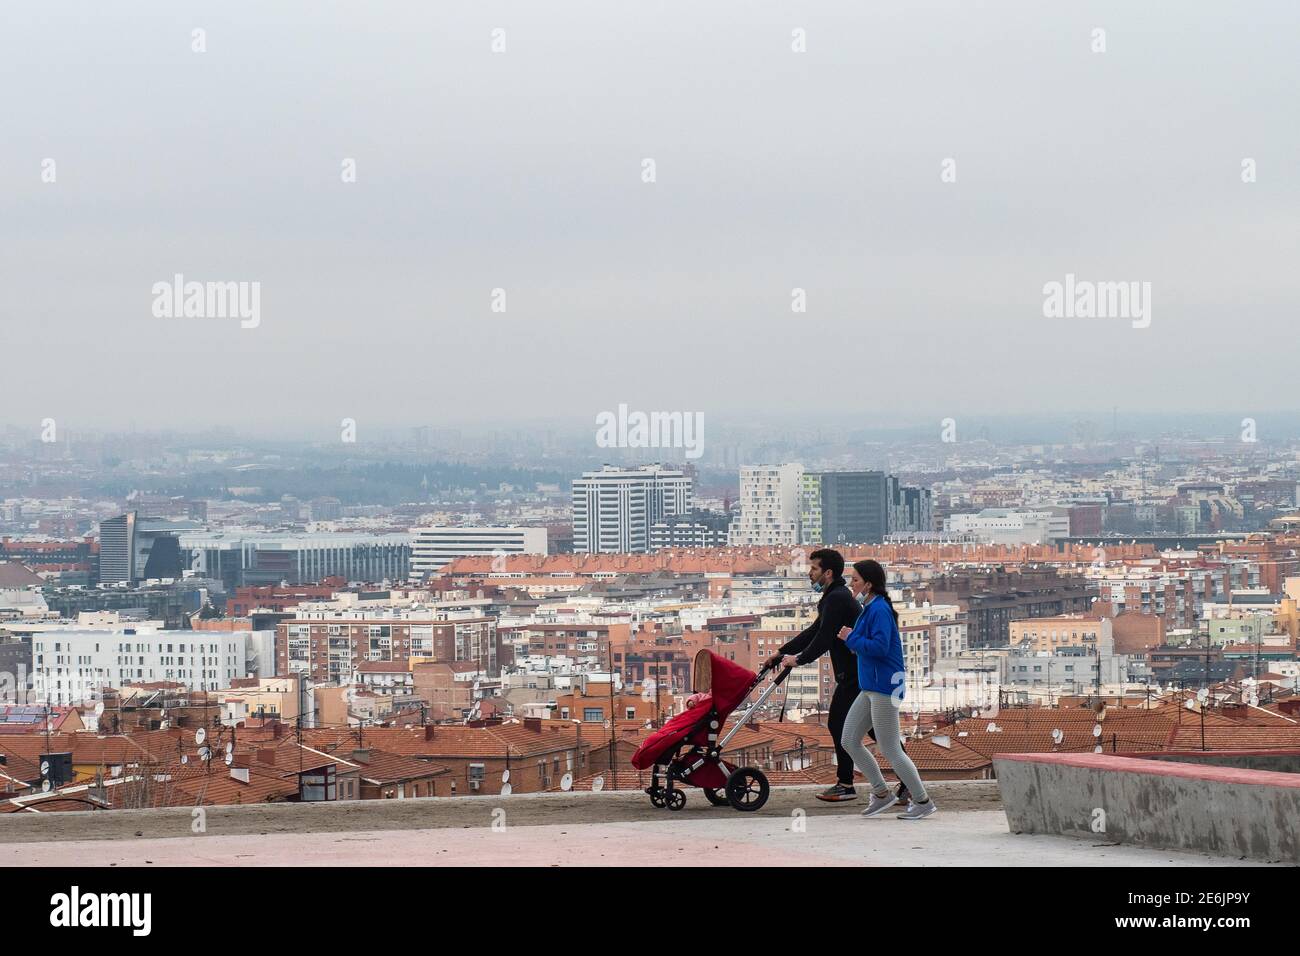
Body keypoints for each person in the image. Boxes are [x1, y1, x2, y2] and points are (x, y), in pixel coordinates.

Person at [765, 548, 907, 803]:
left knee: (848, 728)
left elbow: (823, 637)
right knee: (876, 733)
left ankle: (848, 784)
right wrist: (781, 652)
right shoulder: (835, 597)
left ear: (827, 573)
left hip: (857, 676)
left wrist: (798, 659)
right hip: (855, 676)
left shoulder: (838, 598)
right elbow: (815, 630)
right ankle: (898, 784)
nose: (810, 574)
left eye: (814, 569)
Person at [836, 559, 935, 820]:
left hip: (885, 685)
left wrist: (850, 638)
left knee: (890, 748)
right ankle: (881, 793)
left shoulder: (878, 610)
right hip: (872, 685)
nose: (851, 583)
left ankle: (922, 799)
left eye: (855, 579)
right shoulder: (870, 608)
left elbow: (879, 648)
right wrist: (854, 639)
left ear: (868, 584)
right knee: (848, 740)